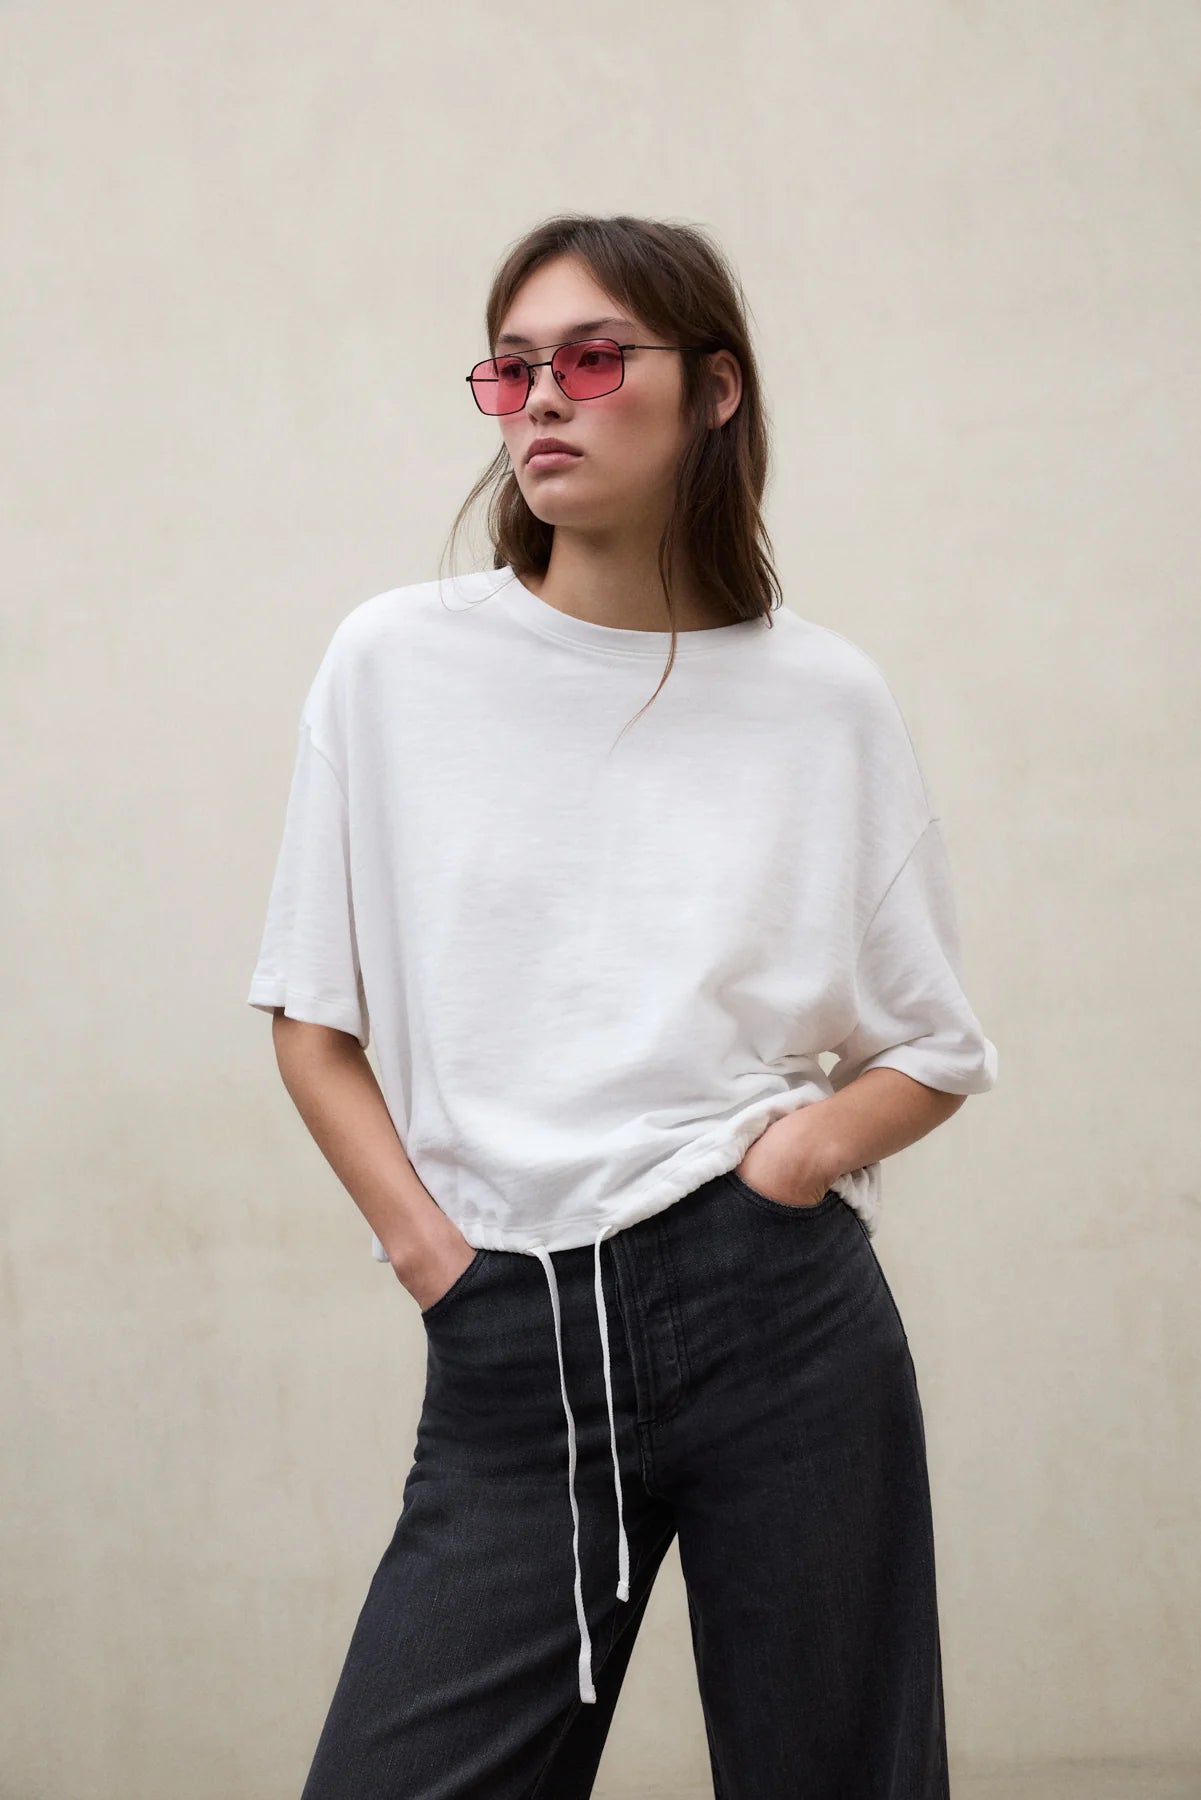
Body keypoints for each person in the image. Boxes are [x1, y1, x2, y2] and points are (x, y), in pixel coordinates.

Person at [247, 212, 998, 1800]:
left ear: (713, 392)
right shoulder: (395, 665)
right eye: (511, 367)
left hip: (774, 1316)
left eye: (592, 360)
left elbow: (930, 1046)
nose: (541, 398)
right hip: (507, 1328)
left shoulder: (820, 698)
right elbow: (312, 1022)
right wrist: (436, 1262)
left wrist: (792, 1165)